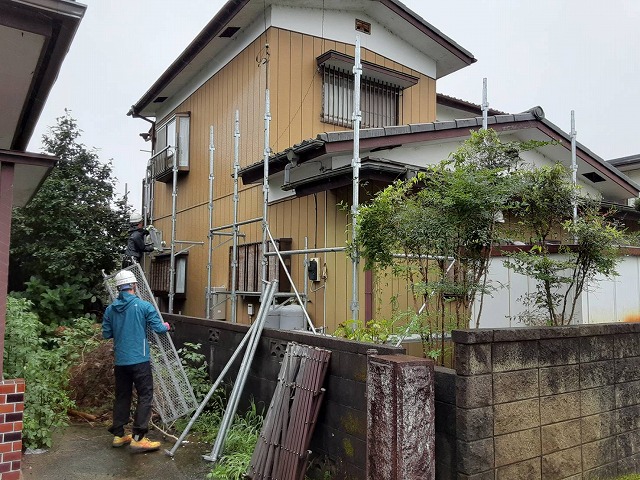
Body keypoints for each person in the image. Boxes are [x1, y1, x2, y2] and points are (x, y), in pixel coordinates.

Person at [102, 269, 171, 452]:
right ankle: (138, 437)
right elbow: (159, 328)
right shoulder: (144, 306)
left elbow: (106, 333)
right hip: (139, 360)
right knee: (145, 395)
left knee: (122, 396)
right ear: (134, 285)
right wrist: (166, 326)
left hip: (121, 361)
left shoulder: (110, 310)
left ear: (118, 288)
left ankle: (119, 435)